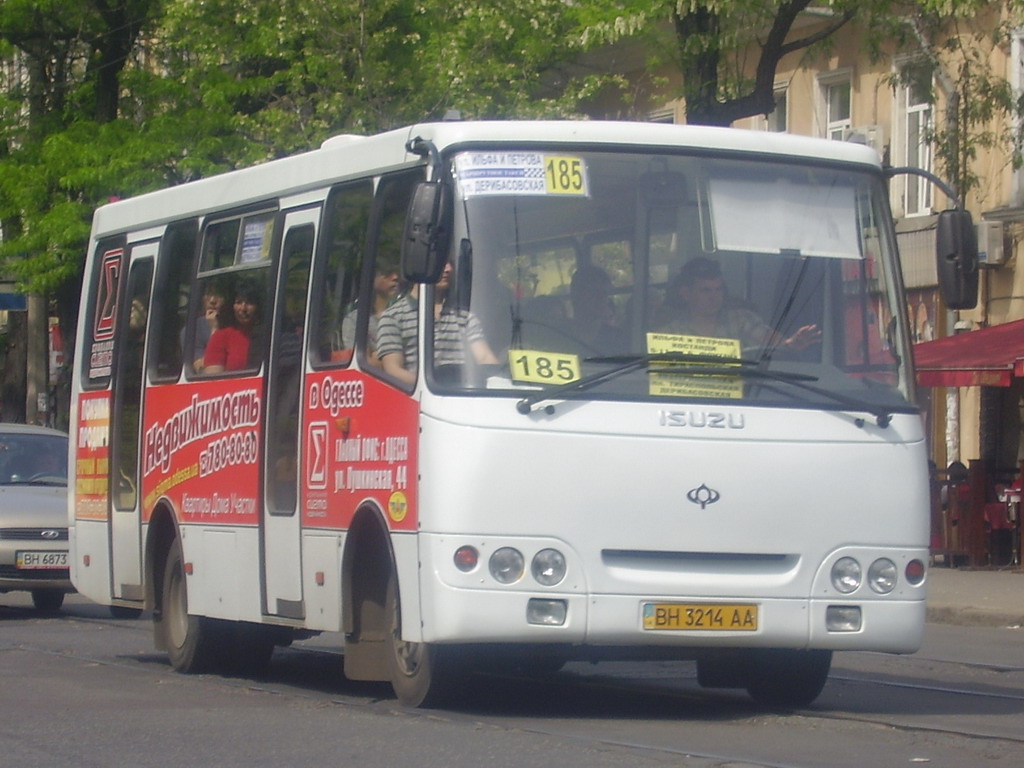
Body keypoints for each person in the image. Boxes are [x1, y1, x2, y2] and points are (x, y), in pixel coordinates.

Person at [656, 257, 820, 352]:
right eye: (705, 291)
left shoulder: (741, 319)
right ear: (686, 294)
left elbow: (775, 344)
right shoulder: (669, 332)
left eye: (718, 289)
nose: (714, 297)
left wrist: (792, 344)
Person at [376, 261, 498, 386]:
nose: (449, 269)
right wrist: (435, 387)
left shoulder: (464, 316)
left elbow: (485, 358)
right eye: (442, 262)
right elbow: (393, 370)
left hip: (465, 397)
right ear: (420, 265)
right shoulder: (393, 317)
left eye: (450, 263)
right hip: (420, 399)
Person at [340, 263, 399, 364]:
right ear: (370, 279)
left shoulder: (403, 313)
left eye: (396, 273)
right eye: (387, 273)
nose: (395, 277)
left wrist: (379, 356)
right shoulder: (355, 319)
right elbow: (362, 363)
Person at [203, 278, 263, 373]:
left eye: (249, 303)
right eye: (238, 302)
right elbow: (212, 380)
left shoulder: (269, 334)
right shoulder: (221, 336)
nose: (243, 308)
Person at [567, 264, 627, 353]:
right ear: (576, 295)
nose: (601, 299)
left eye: (605, 294)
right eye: (594, 293)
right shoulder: (557, 334)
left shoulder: (618, 338)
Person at [189, 279, 230, 372]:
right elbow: (200, 369)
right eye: (208, 294)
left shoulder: (236, 325)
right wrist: (214, 330)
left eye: (218, 295)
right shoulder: (192, 329)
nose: (212, 301)